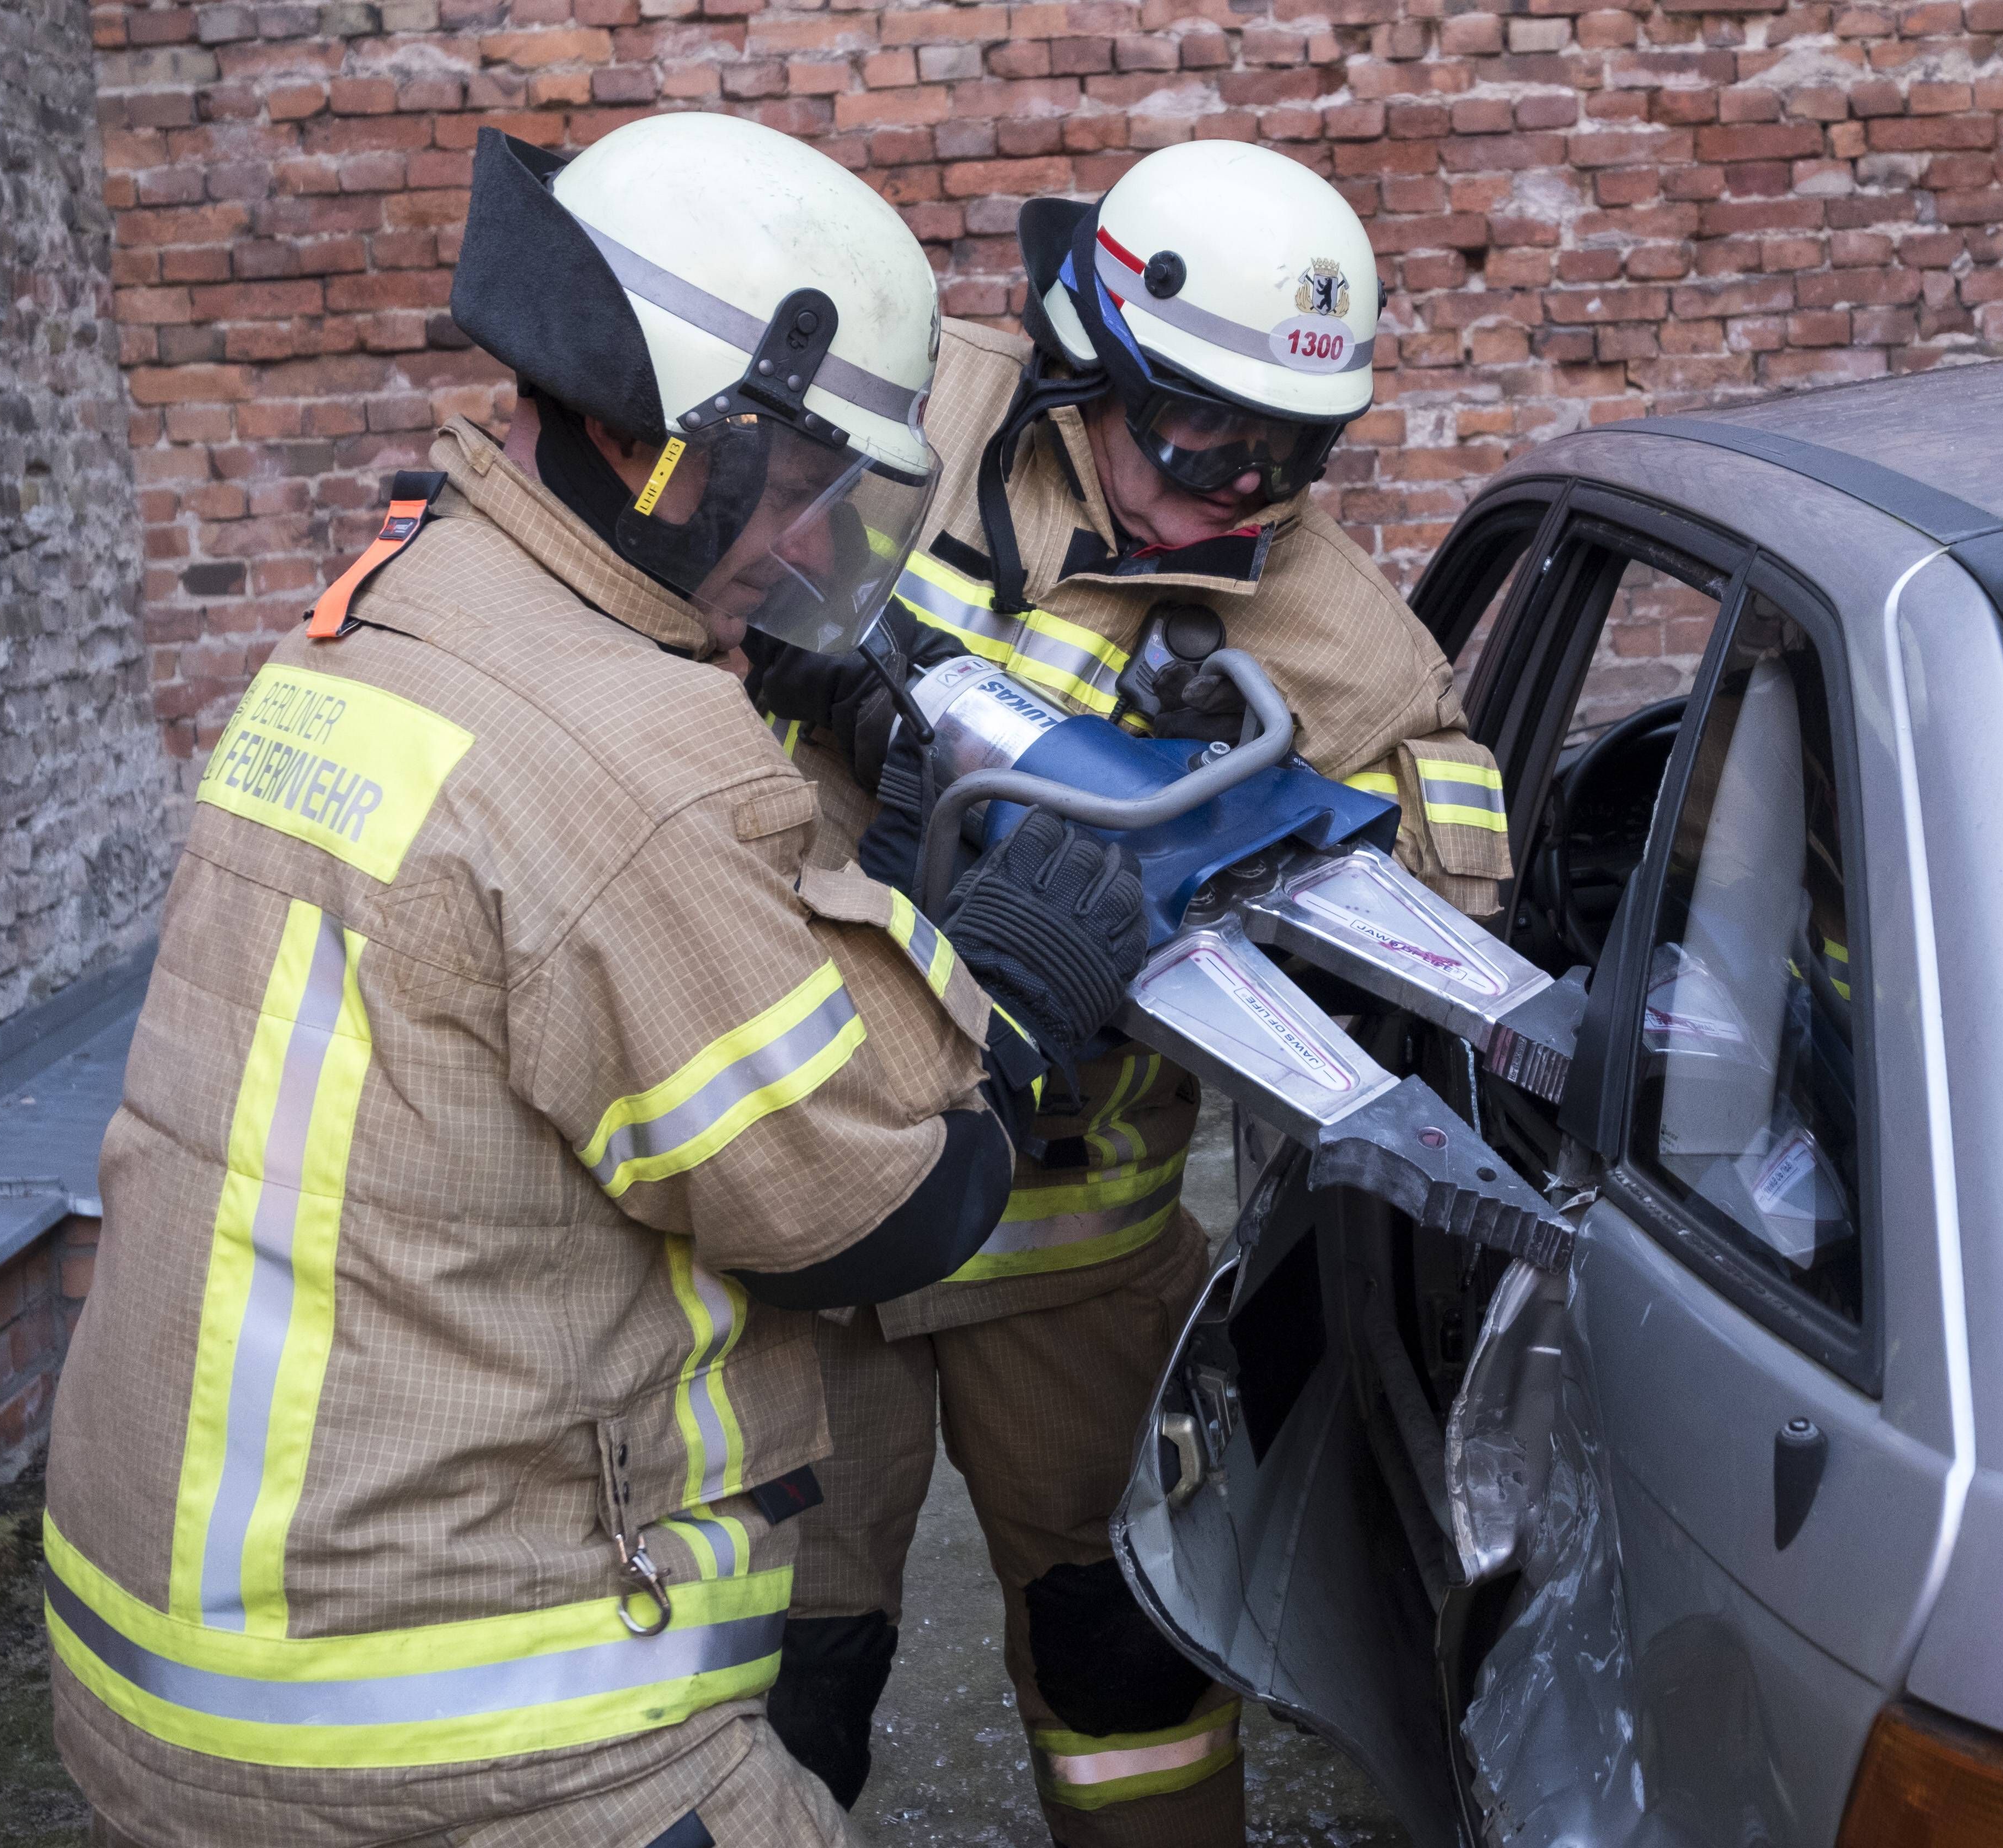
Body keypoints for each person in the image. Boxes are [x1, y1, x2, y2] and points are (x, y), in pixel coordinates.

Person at [44, 111, 1146, 1848]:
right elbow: (865, 1213)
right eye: (800, 495)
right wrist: (1001, 987)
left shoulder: (393, 607)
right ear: (677, 447)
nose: (807, 552)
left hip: (176, 1662)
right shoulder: (641, 761)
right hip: (465, 1725)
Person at [750, 141, 1513, 1847]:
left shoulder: (1321, 612)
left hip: (1068, 1242)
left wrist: (1287, 862)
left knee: (1127, 1666)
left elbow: (1456, 830)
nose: (1236, 495)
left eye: (1290, 454)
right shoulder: (913, 406)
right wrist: (782, 663)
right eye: (1197, 437)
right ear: (1090, 355)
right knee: (788, 1674)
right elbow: (642, 599)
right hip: (802, 1200)